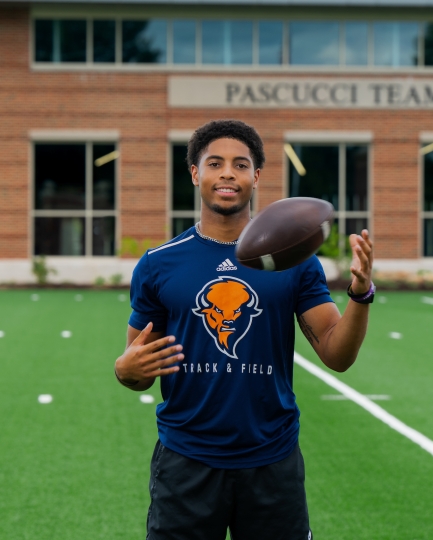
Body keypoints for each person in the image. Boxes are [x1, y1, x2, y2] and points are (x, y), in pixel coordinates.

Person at [114, 119, 374, 540]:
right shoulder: (159, 263)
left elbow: (336, 355)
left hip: (271, 458)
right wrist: (125, 370)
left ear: (256, 176)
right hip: (186, 459)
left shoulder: (295, 260)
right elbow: (137, 367)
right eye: (215, 163)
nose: (228, 173)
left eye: (240, 164)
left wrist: (360, 295)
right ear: (196, 173)